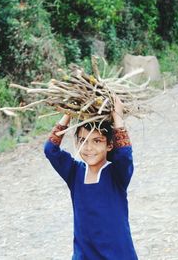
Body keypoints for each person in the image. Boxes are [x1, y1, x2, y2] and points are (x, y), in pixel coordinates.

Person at [44, 96, 138, 259]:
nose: (89, 148)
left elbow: (124, 154)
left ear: (109, 145)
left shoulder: (116, 174)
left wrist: (117, 117)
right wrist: (69, 113)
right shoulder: (74, 173)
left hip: (117, 254)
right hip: (85, 254)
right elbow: (50, 150)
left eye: (97, 141)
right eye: (83, 140)